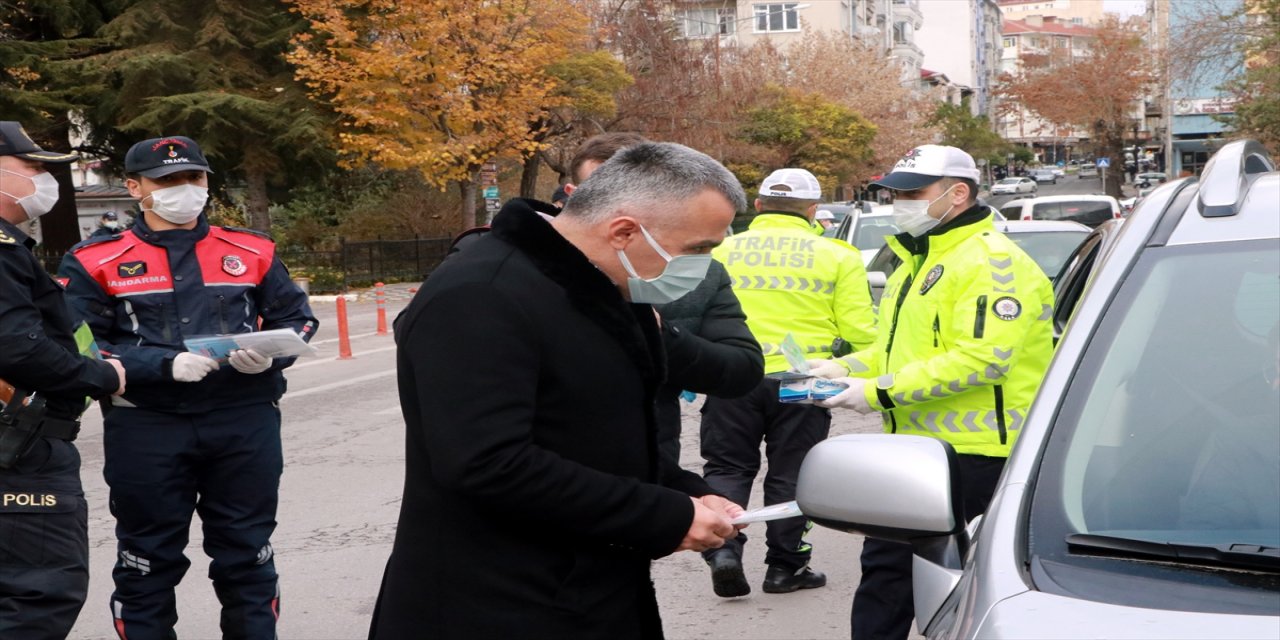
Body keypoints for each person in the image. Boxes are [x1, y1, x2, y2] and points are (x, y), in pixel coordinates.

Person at [369, 142, 748, 639]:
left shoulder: (606, 287)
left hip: (592, 591)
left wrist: (687, 493)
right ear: (623, 232)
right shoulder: (482, 293)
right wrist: (663, 514)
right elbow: (486, 462)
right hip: (493, 605)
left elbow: (593, 436)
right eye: (698, 248)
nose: (701, 265)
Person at [58, 135, 318, 639]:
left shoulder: (251, 248)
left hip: (244, 418)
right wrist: (161, 365)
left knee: (248, 555)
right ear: (135, 188)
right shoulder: (96, 259)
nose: (186, 189)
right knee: (146, 561)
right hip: (146, 424)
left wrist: (263, 357)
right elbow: (79, 344)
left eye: (194, 178)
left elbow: (298, 319)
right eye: (168, 181)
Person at [807, 144, 1054, 640]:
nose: (899, 203)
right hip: (915, 454)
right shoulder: (916, 260)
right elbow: (896, 351)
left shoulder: (990, 263)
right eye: (894, 193)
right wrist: (838, 368)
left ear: (957, 194)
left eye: (912, 192)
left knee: (967, 592)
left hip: (978, 458)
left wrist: (876, 392)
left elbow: (983, 360)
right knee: (886, 580)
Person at [701, 167, 877, 598]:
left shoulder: (721, 250)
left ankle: (724, 549)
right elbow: (862, 335)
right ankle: (786, 568)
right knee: (792, 474)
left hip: (732, 374)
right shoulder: (838, 255)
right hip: (803, 380)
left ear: (758, 206)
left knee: (728, 468)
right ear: (814, 211)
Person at [561, 132, 763, 475]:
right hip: (562, 474)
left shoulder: (697, 272)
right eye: (601, 190)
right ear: (576, 197)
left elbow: (741, 368)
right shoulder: (521, 276)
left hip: (653, 458)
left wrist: (656, 334)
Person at [0, 120, 127, 639]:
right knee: (37, 592)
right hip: (20, 450)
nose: (41, 180)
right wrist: (99, 374)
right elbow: (16, 345)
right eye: (30, 168)